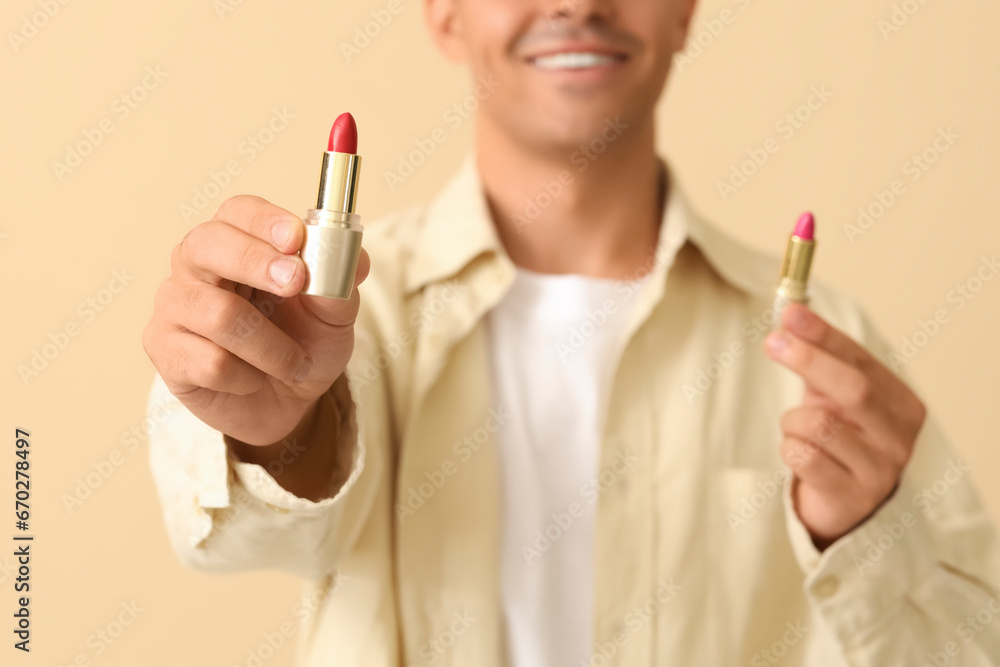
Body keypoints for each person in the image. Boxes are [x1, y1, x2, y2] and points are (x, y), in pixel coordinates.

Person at [141, 0, 1000, 665]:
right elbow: (236, 537)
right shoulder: (350, 311)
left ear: (684, 10)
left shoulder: (824, 349)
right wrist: (285, 431)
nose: (579, 0)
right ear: (445, 12)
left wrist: (864, 536)